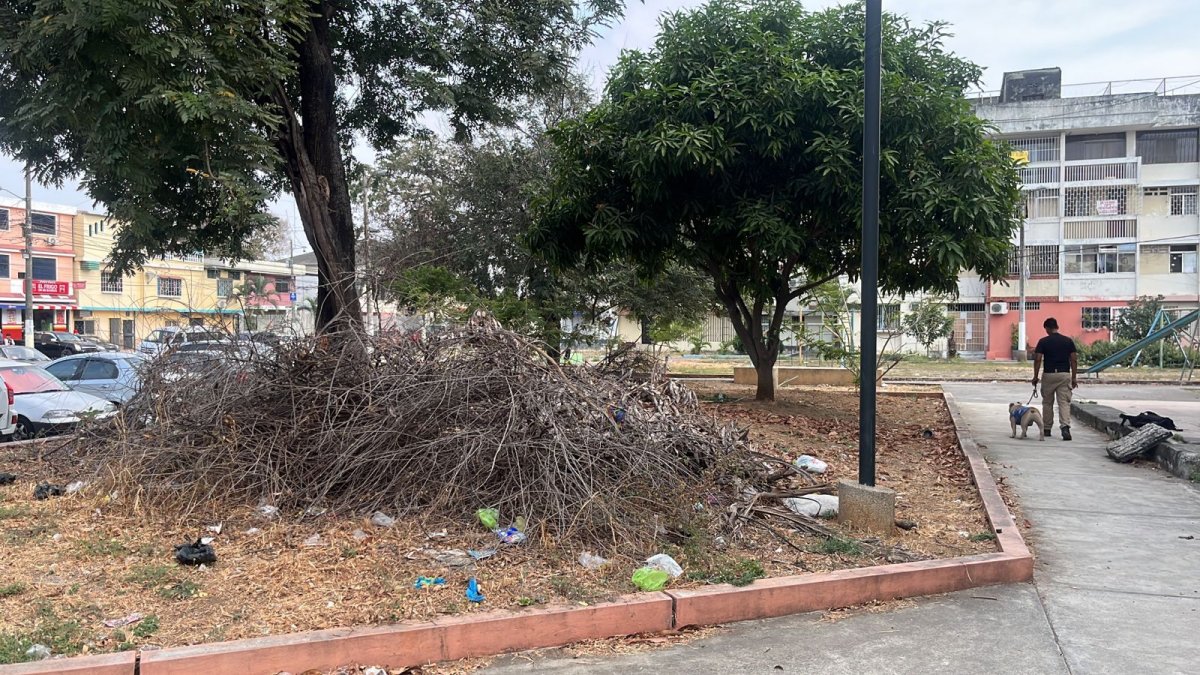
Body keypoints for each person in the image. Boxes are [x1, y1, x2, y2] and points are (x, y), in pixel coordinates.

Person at [1031, 317, 1078, 440]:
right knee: (1064, 402)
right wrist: (1074, 378)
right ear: (1057, 327)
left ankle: (1046, 428)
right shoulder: (1068, 341)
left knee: (1047, 402)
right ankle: (1065, 427)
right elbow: (1073, 359)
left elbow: (1038, 359)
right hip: (1064, 374)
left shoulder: (1043, 341)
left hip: (1049, 374)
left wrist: (1035, 376)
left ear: (1047, 328)